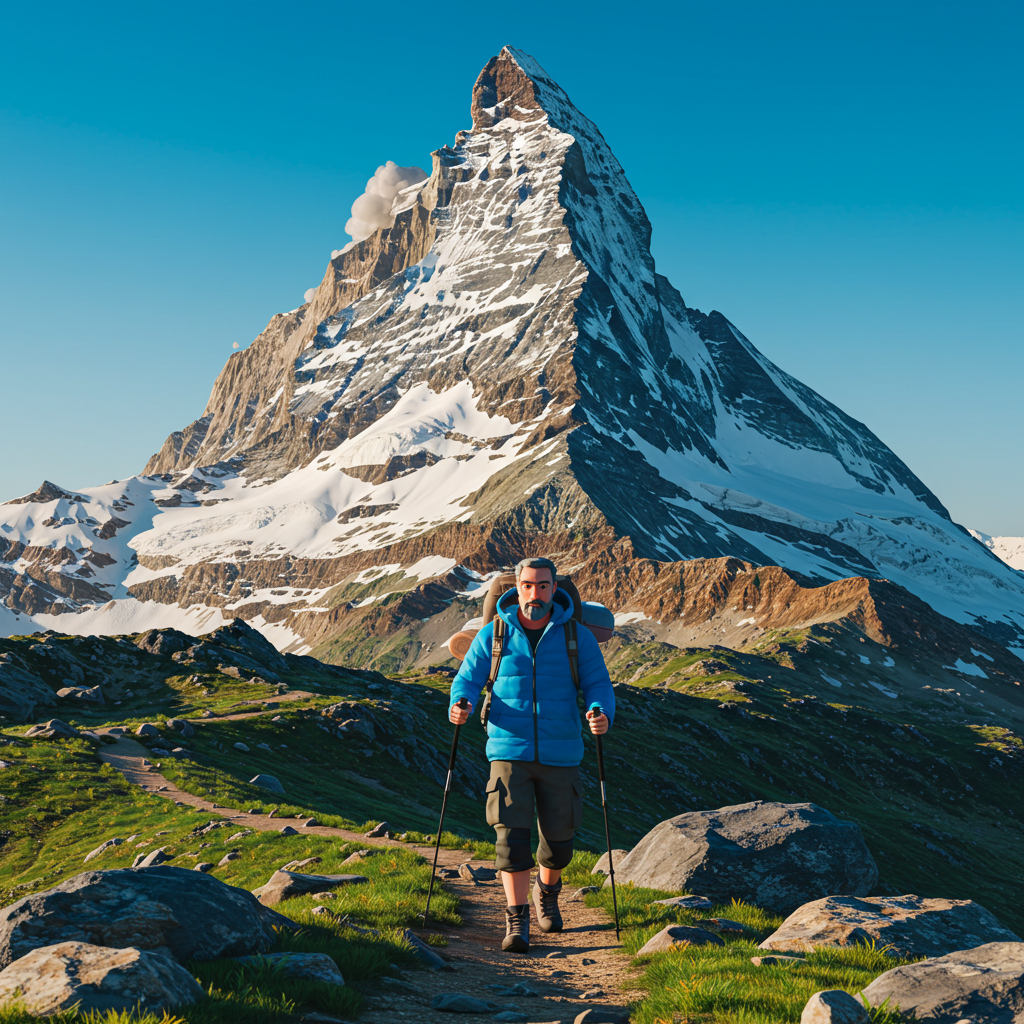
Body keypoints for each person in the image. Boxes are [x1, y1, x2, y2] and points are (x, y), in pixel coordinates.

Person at [448, 556, 615, 952]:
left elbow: (598, 684)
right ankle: (517, 917)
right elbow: (467, 679)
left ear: (554, 589)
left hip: (562, 751)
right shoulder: (494, 633)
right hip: (508, 750)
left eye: (542, 585)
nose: (534, 593)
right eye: (527, 585)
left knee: (558, 843)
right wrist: (460, 703)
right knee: (511, 840)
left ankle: (547, 891)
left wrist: (601, 712)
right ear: (517, 588)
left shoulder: (576, 637)